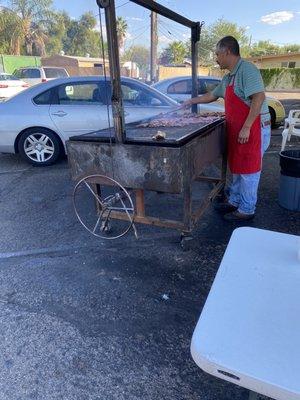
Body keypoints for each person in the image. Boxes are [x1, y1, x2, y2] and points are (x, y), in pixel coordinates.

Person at [182, 36, 271, 221]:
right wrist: (191, 101)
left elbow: (259, 97)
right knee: (239, 167)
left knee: (250, 170)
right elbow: (212, 95)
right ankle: (235, 201)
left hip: (254, 127)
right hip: (241, 128)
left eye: (217, 54)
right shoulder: (229, 76)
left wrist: (246, 127)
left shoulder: (247, 69)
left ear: (227, 52)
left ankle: (247, 210)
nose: (216, 58)